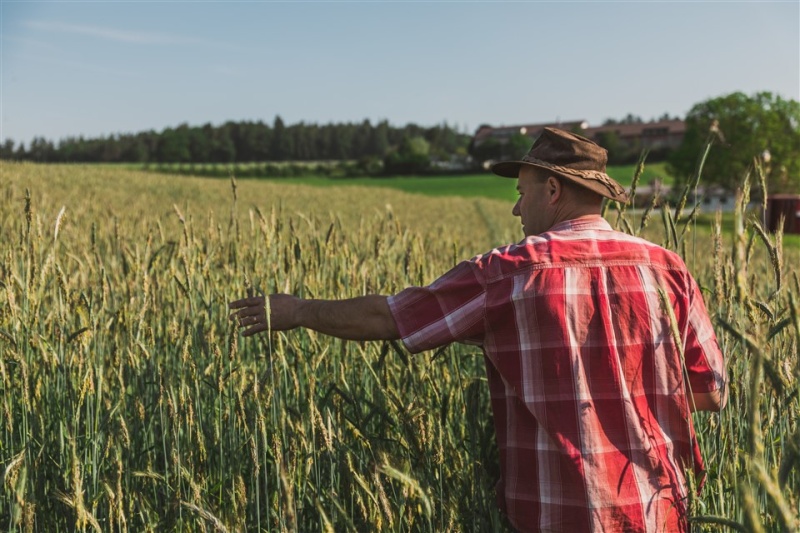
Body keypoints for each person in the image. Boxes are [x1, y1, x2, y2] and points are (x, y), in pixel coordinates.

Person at [229, 127, 727, 532]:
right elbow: (711, 394)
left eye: (521, 193)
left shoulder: (508, 271)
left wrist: (297, 311)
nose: (516, 209)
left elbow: (393, 317)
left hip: (557, 517)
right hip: (660, 513)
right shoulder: (668, 268)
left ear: (552, 191)